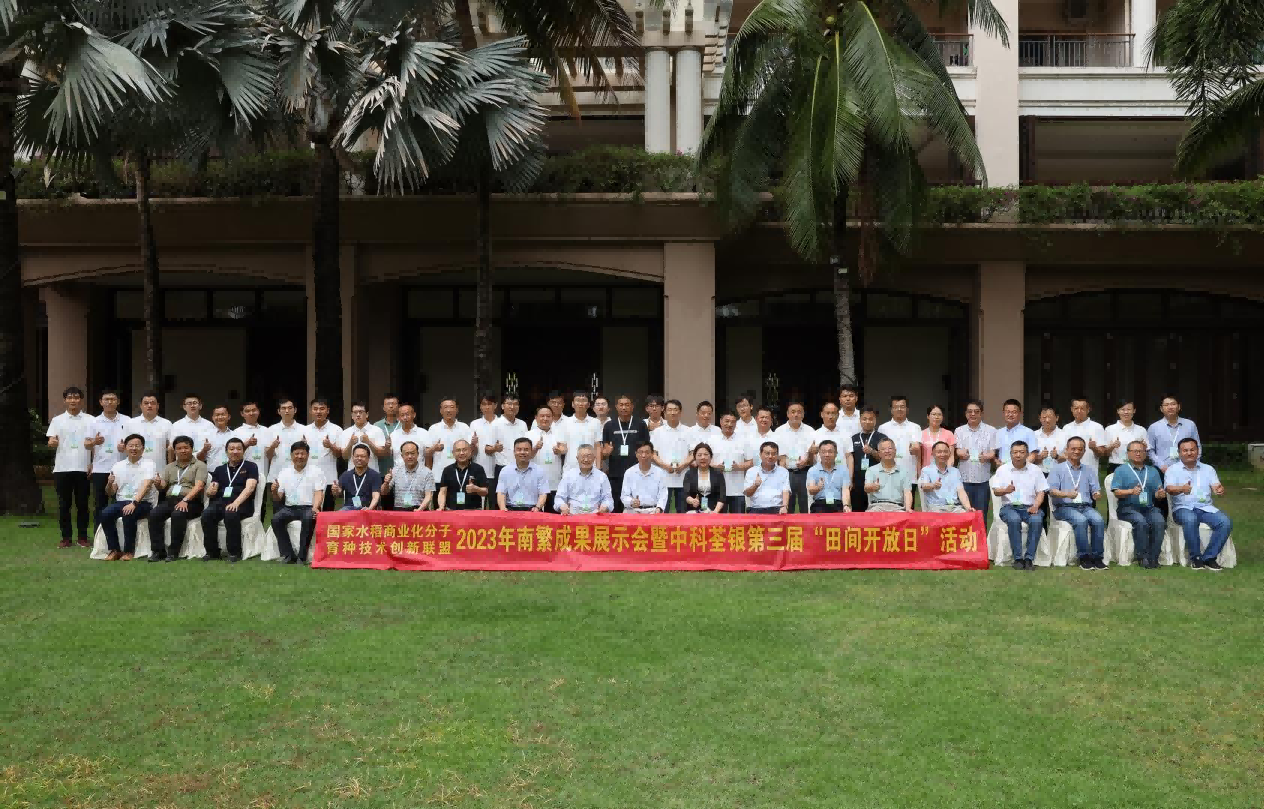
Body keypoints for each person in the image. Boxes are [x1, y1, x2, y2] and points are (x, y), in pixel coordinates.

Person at [1164, 438, 1232, 571]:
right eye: (1185, 450)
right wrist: (1181, 489)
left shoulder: (1208, 469)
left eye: (1192, 450)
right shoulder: (1172, 469)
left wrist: (1219, 490)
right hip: (1182, 508)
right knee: (1191, 519)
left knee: (1225, 522)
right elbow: (1169, 489)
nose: (1189, 453)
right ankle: (1195, 558)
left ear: (1198, 451)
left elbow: (1216, 486)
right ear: (1179, 453)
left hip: (1205, 507)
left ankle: (1209, 558)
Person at [1047, 437, 1106, 570]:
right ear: (1066, 450)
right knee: (1080, 521)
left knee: (1099, 520)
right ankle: (1084, 558)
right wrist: (1066, 494)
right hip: (1064, 507)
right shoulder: (1057, 469)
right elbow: (1051, 491)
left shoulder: (1089, 470)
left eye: (1080, 449)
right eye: (1073, 449)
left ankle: (1097, 557)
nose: (1076, 452)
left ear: (1084, 451)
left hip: (1085, 507)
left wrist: (1096, 494)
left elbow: (1095, 489)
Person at [145, 435, 208, 561]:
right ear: (174, 451)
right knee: (154, 514)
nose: (183, 451)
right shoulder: (170, 466)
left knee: (178, 514)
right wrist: (158, 483)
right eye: (179, 448)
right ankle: (158, 551)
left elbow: (199, 486)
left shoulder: (200, 465)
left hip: (192, 501)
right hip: (171, 500)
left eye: (186, 448)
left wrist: (186, 500)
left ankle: (173, 552)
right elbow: (163, 486)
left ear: (192, 449)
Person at [46, 386, 93, 548]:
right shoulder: (57, 420)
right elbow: (51, 440)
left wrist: (93, 463)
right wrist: (52, 442)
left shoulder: (90, 420)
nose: (73, 400)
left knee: (83, 505)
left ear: (81, 400)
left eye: (76, 397)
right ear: (65, 400)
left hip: (83, 468)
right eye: (70, 397)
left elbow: (95, 444)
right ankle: (66, 538)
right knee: (63, 505)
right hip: (62, 468)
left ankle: (82, 537)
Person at [200, 438, 260, 562]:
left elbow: (250, 488)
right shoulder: (219, 469)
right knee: (207, 515)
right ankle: (212, 552)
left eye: (239, 449)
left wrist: (236, 503)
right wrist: (210, 491)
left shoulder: (251, 466)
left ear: (243, 451)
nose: (235, 451)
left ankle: (234, 552)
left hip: (243, 503)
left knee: (230, 513)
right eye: (231, 449)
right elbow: (212, 489)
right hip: (221, 502)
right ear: (226, 452)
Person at [100, 434, 158, 561]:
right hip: (122, 501)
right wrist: (109, 483)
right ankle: (114, 550)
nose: (134, 448)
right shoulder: (117, 466)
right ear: (125, 448)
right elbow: (110, 492)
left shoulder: (149, 464)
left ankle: (129, 551)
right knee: (105, 513)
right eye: (131, 446)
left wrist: (134, 503)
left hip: (143, 502)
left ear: (143, 448)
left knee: (129, 513)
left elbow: (147, 485)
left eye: (137, 446)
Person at [991, 441, 1048, 570]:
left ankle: (1029, 559)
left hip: (1030, 506)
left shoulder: (1035, 470)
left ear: (1027, 454)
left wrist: (1036, 506)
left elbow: (1041, 492)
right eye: (1015, 452)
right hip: (1009, 507)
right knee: (1014, 519)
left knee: (1037, 520)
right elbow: (996, 491)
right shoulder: (1002, 470)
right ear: (1010, 454)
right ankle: (1018, 559)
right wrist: (1006, 490)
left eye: (1022, 452)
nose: (1018, 455)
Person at [1111, 440, 1167, 569]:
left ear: (1145, 454)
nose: (1138, 454)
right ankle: (1143, 557)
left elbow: (1157, 493)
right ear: (1128, 453)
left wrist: (1160, 494)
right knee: (1140, 521)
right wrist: (1131, 491)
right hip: (1128, 508)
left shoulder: (1153, 471)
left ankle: (1154, 557)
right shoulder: (1121, 470)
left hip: (1149, 508)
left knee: (1159, 521)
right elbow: (1117, 492)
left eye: (1141, 451)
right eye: (1135, 451)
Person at [270, 441, 325, 564]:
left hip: (308, 507)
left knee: (309, 518)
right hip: (289, 508)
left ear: (308, 455)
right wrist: (274, 491)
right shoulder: (284, 472)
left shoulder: (316, 471)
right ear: (291, 455)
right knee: (276, 519)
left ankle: (302, 556)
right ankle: (288, 554)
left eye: (302, 454)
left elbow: (319, 492)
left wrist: (316, 507)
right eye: (296, 454)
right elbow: (278, 498)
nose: (299, 456)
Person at [88, 389, 128, 537]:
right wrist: (94, 441)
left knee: (122, 503)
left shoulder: (127, 421)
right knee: (100, 504)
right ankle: (99, 537)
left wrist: (125, 447)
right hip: (100, 469)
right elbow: (86, 444)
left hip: (122, 468)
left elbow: (134, 444)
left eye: (113, 399)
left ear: (118, 402)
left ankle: (121, 536)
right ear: (101, 402)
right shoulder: (94, 422)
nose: (109, 402)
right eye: (106, 399)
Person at [602, 395, 651, 513]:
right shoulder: (609, 425)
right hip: (615, 474)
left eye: (627, 405)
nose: (624, 407)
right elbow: (604, 451)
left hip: (637, 473)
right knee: (616, 507)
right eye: (621, 405)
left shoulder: (640, 424)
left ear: (632, 407)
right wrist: (606, 453)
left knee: (636, 506)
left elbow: (646, 447)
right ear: (616, 407)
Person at [233, 401, 274, 525]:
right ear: (242, 414)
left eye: (254, 410)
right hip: (242, 475)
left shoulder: (267, 431)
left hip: (262, 473)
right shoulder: (236, 432)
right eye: (247, 411)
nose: (251, 413)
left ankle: (258, 531)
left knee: (261, 505)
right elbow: (233, 455)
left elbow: (270, 455)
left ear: (258, 412)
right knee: (243, 504)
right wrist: (246, 444)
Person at [954, 399, 997, 516]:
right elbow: (956, 450)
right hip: (964, 479)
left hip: (982, 480)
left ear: (981, 413)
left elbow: (992, 452)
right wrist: (960, 453)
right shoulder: (959, 431)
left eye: (976, 411)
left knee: (980, 514)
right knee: (964, 514)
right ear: (966, 414)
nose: (973, 414)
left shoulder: (991, 430)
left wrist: (987, 456)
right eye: (970, 411)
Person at [774, 401, 816, 513]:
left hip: (806, 472)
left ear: (803, 414)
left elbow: (813, 456)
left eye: (799, 412)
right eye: (792, 412)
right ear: (787, 414)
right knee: (788, 506)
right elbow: (779, 457)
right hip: (787, 473)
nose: (796, 415)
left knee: (806, 506)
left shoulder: (810, 431)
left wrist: (806, 461)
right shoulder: (779, 431)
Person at [302, 397, 342, 510]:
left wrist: (330, 446)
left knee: (327, 512)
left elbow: (340, 455)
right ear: (311, 411)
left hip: (329, 478)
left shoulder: (336, 430)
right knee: (309, 512)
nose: (318, 412)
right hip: (309, 478)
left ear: (327, 411)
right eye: (315, 409)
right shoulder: (304, 430)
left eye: (322, 409)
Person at [652, 399, 691, 513]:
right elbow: (653, 453)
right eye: (669, 410)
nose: (673, 413)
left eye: (675, 410)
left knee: (683, 513)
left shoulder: (688, 431)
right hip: (663, 477)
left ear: (680, 412)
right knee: (663, 512)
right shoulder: (658, 432)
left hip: (683, 477)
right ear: (664, 412)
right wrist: (664, 465)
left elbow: (693, 453)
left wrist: (683, 465)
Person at [878, 396, 921, 499]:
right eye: (896, 407)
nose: (899, 409)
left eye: (902, 406)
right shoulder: (883, 428)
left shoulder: (915, 427)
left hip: (909, 473)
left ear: (907, 409)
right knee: (889, 504)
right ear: (891, 410)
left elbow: (918, 451)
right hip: (887, 473)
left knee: (909, 504)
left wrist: (915, 448)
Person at [712, 413, 754, 514]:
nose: (729, 424)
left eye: (733, 422)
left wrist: (738, 467)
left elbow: (750, 462)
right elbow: (705, 462)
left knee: (738, 521)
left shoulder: (743, 440)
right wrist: (715, 467)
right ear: (721, 422)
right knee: (717, 522)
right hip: (717, 490)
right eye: (727, 421)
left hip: (738, 490)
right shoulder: (712, 440)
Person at [847, 408, 888, 512]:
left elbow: (886, 459)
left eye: (870, 419)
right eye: (864, 419)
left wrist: (872, 451)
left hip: (876, 480)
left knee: (876, 511)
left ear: (875, 420)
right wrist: (850, 479)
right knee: (857, 512)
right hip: (857, 481)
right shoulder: (853, 438)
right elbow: (850, 459)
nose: (867, 421)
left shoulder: (882, 438)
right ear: (860, 420)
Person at [553, 445, 613, 515]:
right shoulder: (568, 475)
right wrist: (562, 506)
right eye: (583, 456)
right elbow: (559, 498)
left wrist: (605, 506)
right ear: (577, 458)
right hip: (572, 516)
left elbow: (608, 499)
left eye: (589, 456)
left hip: (595, 516)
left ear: (594, 458)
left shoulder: (602, 477)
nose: (586, 460)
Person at [527, 406, 566, 512]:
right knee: (535, 515)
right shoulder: (529, 435)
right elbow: (525, 457)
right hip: (534, 483)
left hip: (554, 482)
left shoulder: (558, 433)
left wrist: (560, 450)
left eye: (548, 416)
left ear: (552, 418)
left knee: (552, 516)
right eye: (542, 416)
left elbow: (565, 449)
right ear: (536, 418)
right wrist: (535, 448)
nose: (545, 418)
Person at [497, 437, 550, 511]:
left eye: (526, 449)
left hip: (533, 510)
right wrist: (503, 508)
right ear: (514, 452)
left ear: (531, 451)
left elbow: (543, 493)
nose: (522, 452)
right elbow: (501, 492)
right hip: (511, 509)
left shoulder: (540, 471)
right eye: (519, 449)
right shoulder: (505, 471)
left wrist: (537, 507)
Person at [428, 398, 474, 479]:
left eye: (452, 407)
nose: (448, 410)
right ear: (441, 411)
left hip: (461, 474)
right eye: (445, 407)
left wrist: (473, 444)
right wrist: (434, 448)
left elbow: (471, 451)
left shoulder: (464, 427)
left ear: (457, 410)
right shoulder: (433, 429)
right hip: (439, 474)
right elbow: (427, 453)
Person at [382, 441, 436, 511]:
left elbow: (429, 496)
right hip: (399, 509)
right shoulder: (395, 471)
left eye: (412, 453)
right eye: (407, 454)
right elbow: (383, 492)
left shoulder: (427, 472)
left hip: (419, 509)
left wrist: (419, 510)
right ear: (402, 456)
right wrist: (386, 483)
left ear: (418, 454)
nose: (410, 456)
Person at [918, 442, 972, 513]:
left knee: (966, 515)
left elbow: (961, 491)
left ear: (949, 454)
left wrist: (968, 508)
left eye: (945, 451)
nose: (943, 454)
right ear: (933, 454)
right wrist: (933, 485)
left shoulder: (955, 471)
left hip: (955, 508)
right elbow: (924, 486)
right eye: (939, 452)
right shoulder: (926, 470)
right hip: (936, 508)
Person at [126, 391, 173, 470]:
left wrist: (170, 468)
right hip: (135, 469)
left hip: (159, 469)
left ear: (158, 406)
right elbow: (125, 446)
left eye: (152, 403)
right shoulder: (130, 423)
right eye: (146, 403)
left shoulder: (167, 423)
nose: (149, 405)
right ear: (141, 406)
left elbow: (171, 448)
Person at [266, 397, 308, 485]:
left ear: (295, 410)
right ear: (278, 411)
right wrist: (273, 446)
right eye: (283, 408)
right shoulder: (271, 430)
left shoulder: (304, 429)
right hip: (277, 475)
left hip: (299, 475)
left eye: (290, 408)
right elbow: (268, 456)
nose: (287, 411)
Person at [437, 440, 489, 510]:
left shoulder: (478, 469)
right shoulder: (447, 470)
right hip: (451, 511)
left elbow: (485, 491)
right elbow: (442, 492)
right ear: (453, 453)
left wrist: (476, 489)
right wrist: (441, 506)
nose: (461, 453)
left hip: (474, 511)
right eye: (458, 450)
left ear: (470, 451)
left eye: (464, 450)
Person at [339, 401, 390, 472]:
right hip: (352, 473)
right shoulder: (346, 432)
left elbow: (381, 454)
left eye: (361, 412)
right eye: (355, 412)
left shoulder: (377, 430)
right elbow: (344, 457)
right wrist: (350, 443)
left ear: (367, 414)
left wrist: (369, 442)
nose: (358, 415)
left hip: (372, 473)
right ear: (352, 415)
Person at [863, 439, 912, 512]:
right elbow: (866, 488)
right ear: (879, 453)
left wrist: (908, 508)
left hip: (897, 508)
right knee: (868, 516)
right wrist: (873, 487)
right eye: (883, 449)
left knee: (905, 516)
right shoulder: (871, 470)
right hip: (877, 507)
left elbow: (907, 492)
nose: (887, 451)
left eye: (890, 448)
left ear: (895, 451)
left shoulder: (904, 471)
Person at [1062, 397, 1108, 475]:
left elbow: (1102, 454)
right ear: (1071, 409)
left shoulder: (1097, 427)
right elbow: (1064, 451)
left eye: (1082, 408)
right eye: (1076, 408)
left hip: (1090, 472)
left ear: (1088, 410)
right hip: (1069, 472)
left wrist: (1094, 448)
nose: (1079, 411)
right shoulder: (1066, 428)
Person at [563, 392, 604, 476]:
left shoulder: (596, 422)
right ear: (572, 404)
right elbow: (562, 446)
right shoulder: (565, 422)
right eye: (578, 400)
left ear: (588, 404)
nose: (581, 403)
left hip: (592, 468)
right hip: (570, 468)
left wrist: (598, 467)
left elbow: (597, 446)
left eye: (584, 400)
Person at [332, 444, 383, 511]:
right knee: (339, 514)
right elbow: (338, 493)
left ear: (368, 459)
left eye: (362, 456)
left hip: (367, 509)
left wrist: (369, 509)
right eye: (357, 456)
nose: (359, 458)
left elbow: (376, 496)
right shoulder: (345, 475)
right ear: (352, 458)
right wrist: (336, 490)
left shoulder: (375, 475)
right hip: (349, 509)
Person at [743, 442, 790, 514]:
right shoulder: (752, 471)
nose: (770, 456)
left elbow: (786, 491)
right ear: (760, 455)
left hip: (777, 508)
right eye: (767, 453)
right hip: (756, 508)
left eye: (774, 454)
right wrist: (755, 485)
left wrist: (785, 506)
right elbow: (747, 493)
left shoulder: (783, 471)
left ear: (777, 455)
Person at [621, 443, 669, 514]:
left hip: (653, 510)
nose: (643, 455)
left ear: (652, 454)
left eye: (647, 452)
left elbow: (663, 494)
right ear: (636, 454)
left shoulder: (660, 473)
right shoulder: (629, 472)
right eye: (641, 452)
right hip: (633, 510)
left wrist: (659, 508)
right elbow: (624, 496)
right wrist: (631, 502)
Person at [492, 395, 528, 488]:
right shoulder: (495, 424)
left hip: (521, 467)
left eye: (515, 404)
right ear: (502, 406)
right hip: (502, 466)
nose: (512, 407)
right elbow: (487, 449)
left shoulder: (523, 424)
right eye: (509, 404)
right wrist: (495, 448)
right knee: (502, 495)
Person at [169, 393, 214, 464]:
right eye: (189, 403)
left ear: (200, 406)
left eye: (195, 403)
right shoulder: (176, 425)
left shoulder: (209, 425)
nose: (192, 405)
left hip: (204, 463)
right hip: (182, 464)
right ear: (184, 407)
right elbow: (171, 449)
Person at [1104, 400, 1148, 474]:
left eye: (1129, 409)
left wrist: (1144, 448)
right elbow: (1104, 454)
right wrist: (1112, 446)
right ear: (1118, 411)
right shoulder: (1109, 429)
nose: (1126, 412)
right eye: (1123, 409)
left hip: (1136, 466)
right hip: (1115, 466)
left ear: (1134, 411)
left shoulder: (1141, 430)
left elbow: (1146, 453)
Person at [806, 440, 850, 513]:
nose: (827, 454)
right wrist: (818, 487)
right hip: (820, 503)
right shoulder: (813, 470)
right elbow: (811, 490)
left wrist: (846, 505)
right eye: (823, 452)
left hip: (837, 503)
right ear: (819, 454)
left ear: (836, 453)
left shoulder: (843, 470)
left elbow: (845, 490)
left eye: (830, 452)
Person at [473, 393, 502, 502]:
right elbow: (472, 450)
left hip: (499, 469)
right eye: (484, 404)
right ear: (480, 406)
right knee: (479, 504)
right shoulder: (474, 424)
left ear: (495, 405)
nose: (487, 407)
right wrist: (472, 444)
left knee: (495, 503)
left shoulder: (502, 423)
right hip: (480, 467)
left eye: (490, 404)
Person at [682, 443, 725, 513]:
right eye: (699, 455)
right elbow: (686, 495)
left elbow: (722, 497)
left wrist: (715, 512)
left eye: (706, 454)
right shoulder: (689, 474)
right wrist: (692, 501)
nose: (703, 457)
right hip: (694, 511)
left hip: (714, 511)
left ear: (711, 457)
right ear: (695, 458)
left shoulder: (718, 474)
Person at [994, 399, 1039, 464]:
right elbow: (995, 454)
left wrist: (1019, 467)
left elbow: (1033, 455)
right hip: (1002, 469)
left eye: (1014, 412)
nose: (1010, 415)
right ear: (1003, 413)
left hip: (1022, 469)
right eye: (1008, 412)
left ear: (1020, 413)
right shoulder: (998, 433)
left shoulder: (1029, 432)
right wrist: (998, 463)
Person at [1030, 406, 1065, 476]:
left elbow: (1071, 459)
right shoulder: (1033, 435)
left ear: (1057, 418)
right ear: (1040, 418)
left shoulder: (1065, 435)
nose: (1047, 420)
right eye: (1044, 417)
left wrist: (1057, 457)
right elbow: (1027, 460)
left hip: (1060, 475)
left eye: (1050, 417)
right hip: (1037, 475)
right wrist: (1040, 457)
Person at [920, 405, 955, 473]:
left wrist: (946, 472)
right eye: (933, 414)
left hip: (944, 473)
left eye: (939, 414)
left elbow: (951, 457)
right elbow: (918, 458)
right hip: (926, 473)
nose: (936, 417)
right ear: (928, 416)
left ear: (942, 417)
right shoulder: (921, 434)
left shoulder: (949, 434)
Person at [373, 393, 402, 476]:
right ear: (383, 408)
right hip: (382, 470)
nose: (391, 406)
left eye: (393, 404)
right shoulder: (376, 426)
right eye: (388, 404)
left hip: (401, 471)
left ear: (398, 406)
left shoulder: (404, 425)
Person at [204, 406, 235, 472]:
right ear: (212, 417)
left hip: (232, 472)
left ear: (229, 417)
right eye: (217, 415)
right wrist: (204, 449)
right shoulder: (205, 435)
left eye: (223, 414)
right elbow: (199, 458)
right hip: (212, 472)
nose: (220, 417)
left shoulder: (235, 434)